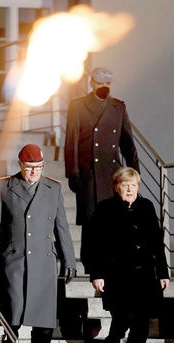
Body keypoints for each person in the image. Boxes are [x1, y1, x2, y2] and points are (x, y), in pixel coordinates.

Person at [0, 144, 77, 343]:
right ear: (20, 165)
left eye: (39, 167)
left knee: (44, 322)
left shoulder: (53, 188)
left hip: (44, 263)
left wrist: (69, 260)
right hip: (14, 260)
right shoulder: (4, 187)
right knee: (12, 313)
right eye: (30, 167)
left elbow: (61, 227)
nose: (35, 172)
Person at [89, 167, 169, 343]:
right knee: (122, 319)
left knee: (141, 326)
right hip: (117, 278)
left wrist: (163, 272)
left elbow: (156, 243)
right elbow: (94, 245)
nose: (130, 189)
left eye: (133, 185)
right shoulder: (105, 209)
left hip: (144, 279)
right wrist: (97, 274)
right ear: (116, 187)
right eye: (125, 185)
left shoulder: (147, 206)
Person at [64, 67, 140, 273]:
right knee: (91, 223)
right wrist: (73, 173)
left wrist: (134, 174)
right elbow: (71, 141)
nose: (104, 87)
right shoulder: (78, 106)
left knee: (113, 221)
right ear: (92, 83)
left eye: (108, 84)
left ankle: (111, 264)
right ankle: (91, 265)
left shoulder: (118, 107)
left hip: (111, 174)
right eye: (100, 83)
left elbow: (127, 143)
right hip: (88, 174)